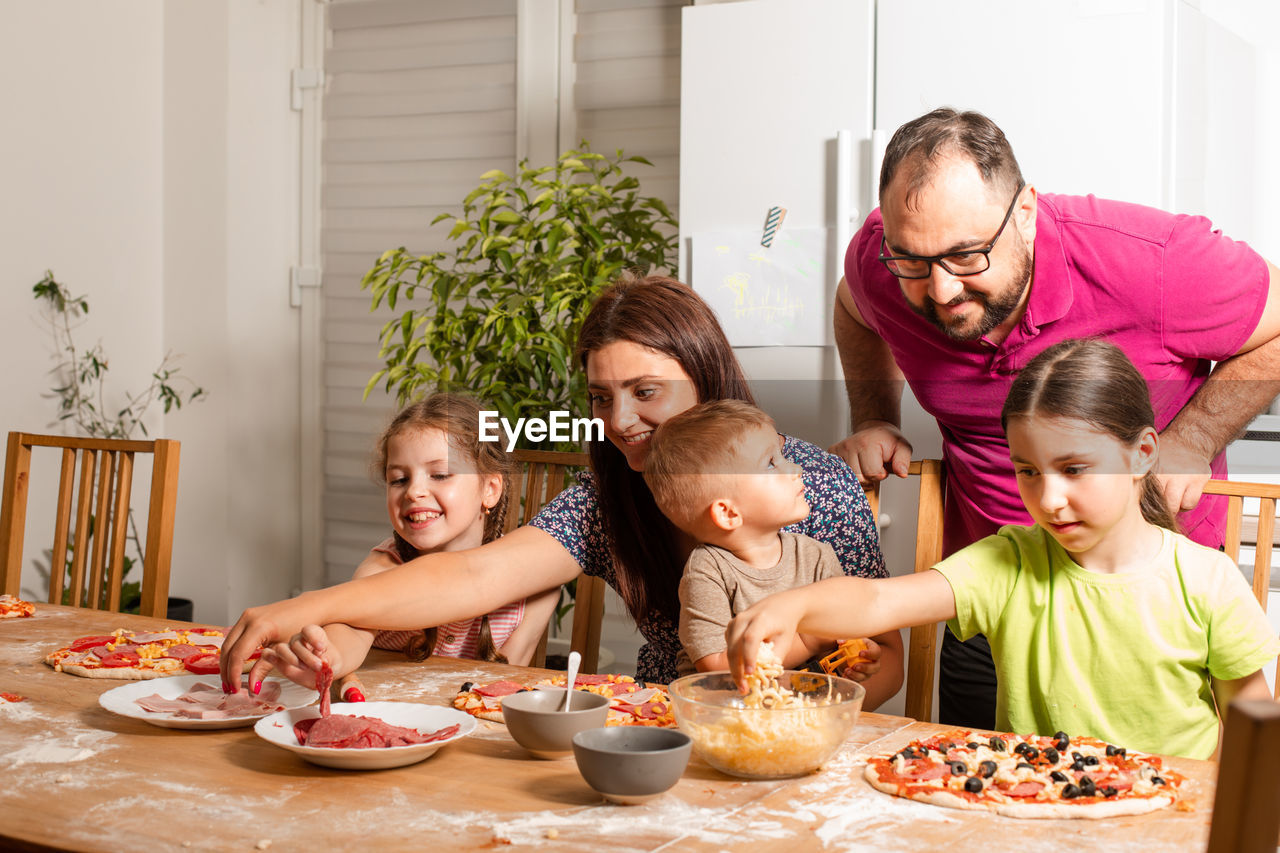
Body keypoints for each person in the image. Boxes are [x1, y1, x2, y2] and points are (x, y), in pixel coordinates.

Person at [221, 273, 902, 708]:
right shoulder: (608, 498)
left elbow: (886, 660)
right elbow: (474, 573)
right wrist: (302, 606)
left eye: (646, 392)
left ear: (706, 377)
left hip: (792, 732)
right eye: (601, 397)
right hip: (653, 728)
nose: (621, 421)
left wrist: (786, 726)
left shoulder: (812, 485)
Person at [830, 107, 1280, 727]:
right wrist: (876, 414)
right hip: (995, 587)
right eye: (912, 261)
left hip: (1152, 598)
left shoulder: (1158, 261)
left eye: (966, 257)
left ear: (1025, 212)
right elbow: (854, 307)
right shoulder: (883, 258)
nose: (939, 291)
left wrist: (1195, 437)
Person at [728, 339, 1279, 760]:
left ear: (1142, 454)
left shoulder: (1205, 581)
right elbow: (877, 604)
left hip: (1169, 820)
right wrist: (792, 605)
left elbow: (1255, 734)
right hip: (1030, 807)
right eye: (1027, 471)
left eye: (1074, 469)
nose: (1049, 498)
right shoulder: (1010, 560)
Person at [257, 395, 561, 692]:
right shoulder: (383, 565)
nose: (414, 491)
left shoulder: (532, 587)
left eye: (440, 475)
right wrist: (327, 657)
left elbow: (501, 687)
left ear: (491, 489)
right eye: (399, 479)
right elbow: (348, 632)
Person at [643, 399, 875, 681]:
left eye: (782, 456)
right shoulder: (707, 570)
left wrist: (856, 655)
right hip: (721, 712)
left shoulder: (817, 556)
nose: (795, 469)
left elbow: (845, 625)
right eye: (770, 463)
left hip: (797, 708)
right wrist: (809, 642)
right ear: (728, 513)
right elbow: (715, 667)